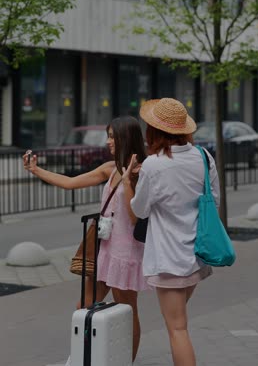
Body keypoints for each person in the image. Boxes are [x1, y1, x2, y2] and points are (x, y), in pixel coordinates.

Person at [23, 116, 149, 363]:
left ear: (127, 137)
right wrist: (36, 170)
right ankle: (86, 357)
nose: (108, 141)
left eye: (113, 136)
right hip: (104, 249)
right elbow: (71, 183)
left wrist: (127, 182)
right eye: (108, 136)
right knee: (84, 305)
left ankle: (125, 361)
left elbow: (135, 217)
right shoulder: (110, 168)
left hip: (125, 253)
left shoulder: (141, 171)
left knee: (128, 312)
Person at [123, 98, 220, 366]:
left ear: (153, 131)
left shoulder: (154, 165)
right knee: (177, 323)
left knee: (177, 329)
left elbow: (139, 211)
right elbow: (215, 200)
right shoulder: (203, 157)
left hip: (169, 259)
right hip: (197, 255)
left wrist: (129, 182)